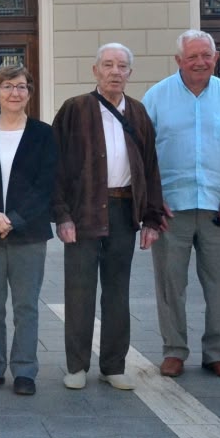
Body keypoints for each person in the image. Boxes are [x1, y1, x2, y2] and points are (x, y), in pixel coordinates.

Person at [142, 30, 220, 380]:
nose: (200, 62)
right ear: (178, 60)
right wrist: (154, 197)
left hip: (219, 207)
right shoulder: (156, 96)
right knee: (170, 284)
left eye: (206, 55)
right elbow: (142, 153)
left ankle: (217, 353)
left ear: (215, 57)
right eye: (192, 56)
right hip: (170, 208)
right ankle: (174, 351)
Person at [52, 42, 166, 392]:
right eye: (108, 65)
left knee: (118, 292)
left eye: (122, 66)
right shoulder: (75, 109)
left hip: (122, 210)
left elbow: (150, 167)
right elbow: (54, 166)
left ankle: (113, 365)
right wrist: (62, 215)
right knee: (80, 290)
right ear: (95, 71)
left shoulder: (138, 114)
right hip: (84, 210)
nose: (115, 71)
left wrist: (151, 219)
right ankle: (76, 366)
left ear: (130, 73)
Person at [0, 64, 57, 396]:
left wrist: (12, 219)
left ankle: (24, 371)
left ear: (30, 94)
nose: (15, 93)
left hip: (28, 233)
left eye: (22, 87)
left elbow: (45, 185)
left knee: (26, 305)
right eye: (7, 87)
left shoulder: (44, 134)